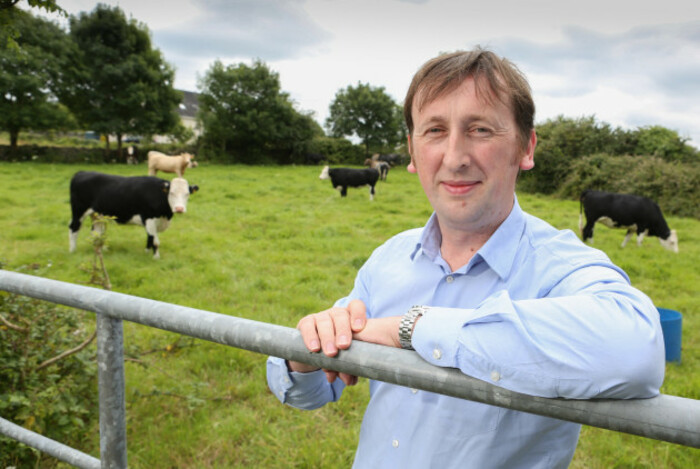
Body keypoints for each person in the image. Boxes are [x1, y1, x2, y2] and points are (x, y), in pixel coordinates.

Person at [266, 47, 665, 468]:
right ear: (413, 153)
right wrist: (306, 352)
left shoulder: (559, 266)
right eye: (434, 131)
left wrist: (411, 329)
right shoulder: (389, 258)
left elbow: (638, 351)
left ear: (526, 148)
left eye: (480, 130)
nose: (455, 158)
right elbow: (305, 393)